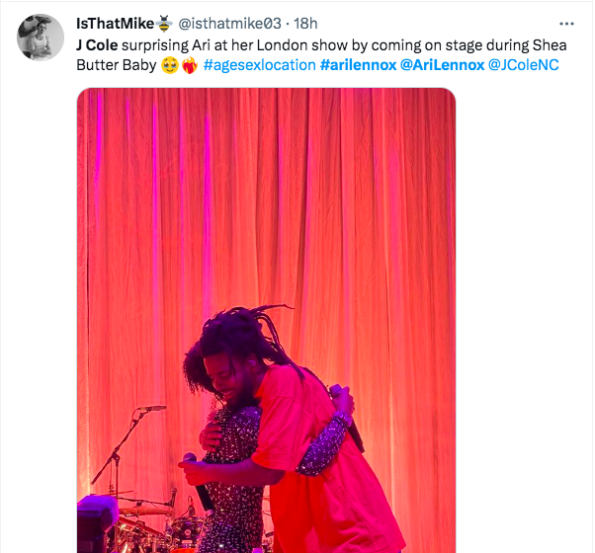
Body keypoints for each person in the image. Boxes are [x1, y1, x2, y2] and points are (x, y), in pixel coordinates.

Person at [179, 305, 406, 553]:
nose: (217, 385)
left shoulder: (283, 384)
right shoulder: (255, 399)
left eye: (224, 375)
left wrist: (207, 472)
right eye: (212, 378)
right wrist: (210, 435)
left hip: (349, 530)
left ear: (251, 362)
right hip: (313, 533)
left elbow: (280, 469)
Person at [182, 382, 354, 553]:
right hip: (230, 543)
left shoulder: (234, 416)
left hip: (224, 541)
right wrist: (342, 416)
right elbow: (310, 462)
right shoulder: (249, 417)